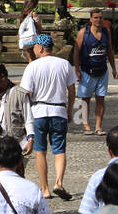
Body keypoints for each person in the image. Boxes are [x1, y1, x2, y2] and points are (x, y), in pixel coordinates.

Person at [20, 33, 78, 201]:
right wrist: (70, 109)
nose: (34, 50)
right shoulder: (65, 64)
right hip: (59, 111)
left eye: (35, 47)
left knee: (41, 151)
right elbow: (72, 90)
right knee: (59, 150)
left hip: (38, 113)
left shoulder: (32, 67)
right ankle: (58, 182)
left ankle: (45, 188)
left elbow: (27, 93)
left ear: (41, 48)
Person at [72, 7, 118, 134]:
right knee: (85, 99)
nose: (98, 20)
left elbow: (109, 50)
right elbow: (76, 51)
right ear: (91, 19)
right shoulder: (83, 32)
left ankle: (98, 126)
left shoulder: (105, 32)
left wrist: (114, 68)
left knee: (100, 99)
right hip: (87, 71)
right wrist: (77, 69)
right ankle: (86, 125)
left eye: (100, 17)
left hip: (102, 71)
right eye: (96, 17)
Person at [18, 0, 42, 64]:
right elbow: (38, 26)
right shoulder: (33, 14)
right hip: (33, 37)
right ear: (35, 3)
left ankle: (30, 70)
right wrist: (40, 33)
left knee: (30, 56)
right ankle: (34, 72)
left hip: (25, 38)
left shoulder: (23, 13)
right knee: (34, 56)